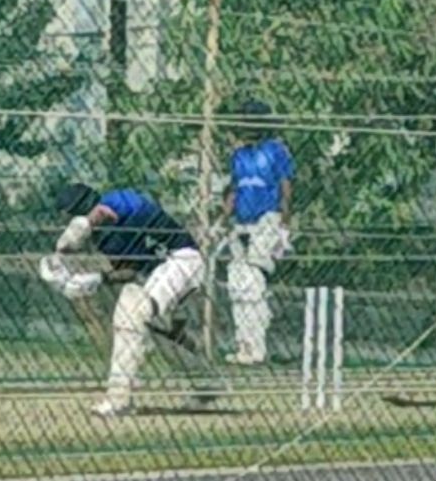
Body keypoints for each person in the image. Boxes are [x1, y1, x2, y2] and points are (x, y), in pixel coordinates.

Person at [41, 182, 221, 418]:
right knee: (147, 325)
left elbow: (109, 210)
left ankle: (119, 401)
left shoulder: (116, 199)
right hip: (156, 274)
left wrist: (85, 223)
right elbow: (128, 271)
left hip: (182, 260)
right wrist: (93, 280)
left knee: (134, 314)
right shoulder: (104, 240)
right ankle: (206, 384)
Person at [222, 99, 295, 365]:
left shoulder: (276, 150)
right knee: (236, 281)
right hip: (242, 220)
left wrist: (284, 224)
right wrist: (222, 219)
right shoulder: (239, 156)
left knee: (253, 280)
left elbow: (286, 186)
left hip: (268, 217)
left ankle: (257, 347)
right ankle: (243, 345)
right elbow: (234, 189)